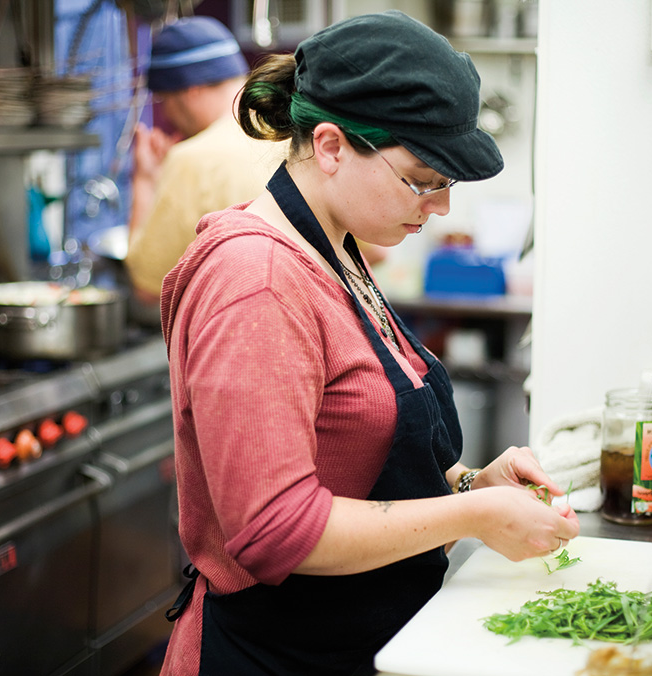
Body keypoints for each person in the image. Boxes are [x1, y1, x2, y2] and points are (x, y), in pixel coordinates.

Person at [159, 11, 579, 676]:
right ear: (329, 147)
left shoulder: (338, 251)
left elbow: (349, 449)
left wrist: (469, 482)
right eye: (423, 179)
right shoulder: (257, 283)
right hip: (276, 656)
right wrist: (471, 514)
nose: (440, 207)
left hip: (357, 647)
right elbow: (276, 531)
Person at [124, 15, 287, 307]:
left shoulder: (193, 159)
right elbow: (373, 252)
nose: (169, 117)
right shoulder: (293, 132)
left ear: (191, 91)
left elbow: (148, 286)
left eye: (165, 100)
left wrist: (145, 182)